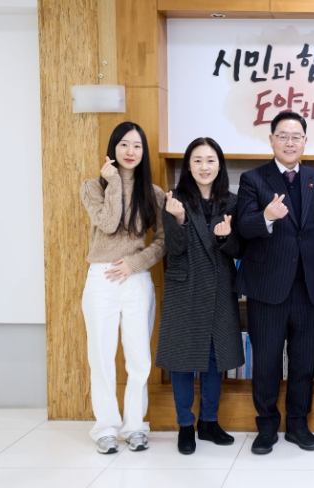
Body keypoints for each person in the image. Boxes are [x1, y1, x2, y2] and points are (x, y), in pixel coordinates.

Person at [236, 111, 314, 455]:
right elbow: (243, 228)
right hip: (267, 287)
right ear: (271, 140)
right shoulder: (253, 179)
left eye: (296, 137)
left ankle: (297, 424)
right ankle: (266, 426)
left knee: (303, 361)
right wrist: (266, 216)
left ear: (305, 141)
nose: (289, 142)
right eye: (283, 136)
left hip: (308, 286)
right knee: (265, 361)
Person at [80, 121, 165, 454]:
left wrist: (135, 263)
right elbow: (108, 223)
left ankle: (134, 427)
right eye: (124, 145)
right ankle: (105, 428)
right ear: (113, 148)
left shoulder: (153, 193)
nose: (131, 151)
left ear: (144, 152)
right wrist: (114, 181)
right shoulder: (93, 187)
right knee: (101, 356)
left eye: (137, 146)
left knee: (139, 357)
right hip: (101, 279)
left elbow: (162, 242)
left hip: (136, 279)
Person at [156, 137, 244, 455]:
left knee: (214, 359)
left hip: (219, 287)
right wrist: (178, 221)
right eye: (197, 160)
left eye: (210, 160)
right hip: (185, 287)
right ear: (188, 166)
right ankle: (185, 425)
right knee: (182, 361)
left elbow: (239, 249)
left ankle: (208, 422)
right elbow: (174, 250)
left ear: (219, 165)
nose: (204, 167)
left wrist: (224, 239)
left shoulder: (231, 202)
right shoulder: (174, 200)